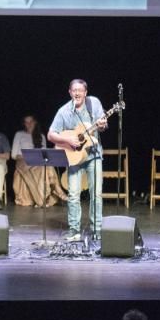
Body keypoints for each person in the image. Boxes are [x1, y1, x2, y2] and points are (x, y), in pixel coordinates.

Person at [47, 79, 108, 241]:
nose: (77, 93)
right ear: (69, 92)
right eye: (74, 90)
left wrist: (102, 125)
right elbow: (51, 134)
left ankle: (97, 230)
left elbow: (102, 125)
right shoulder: (64, 111)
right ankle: (74, 230)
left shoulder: (93, 103)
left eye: (80, 90)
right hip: (74, 156)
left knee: (97, 194)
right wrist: (68, 141)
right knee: (73, 194)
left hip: (93, 155)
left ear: (85, 92)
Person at [12, 113, 67, 207]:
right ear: (24, 124)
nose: (29, 124)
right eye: (26, 122)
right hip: (23, 162)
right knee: (44, 167)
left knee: (47, 166)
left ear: (35, 122)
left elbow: (44, 154)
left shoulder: (41, 136)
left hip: (38, 162)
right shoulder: (19, 134)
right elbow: (13, 155)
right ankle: (58, 193)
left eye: (31, 122)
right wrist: (28, 156)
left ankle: (51, 195)